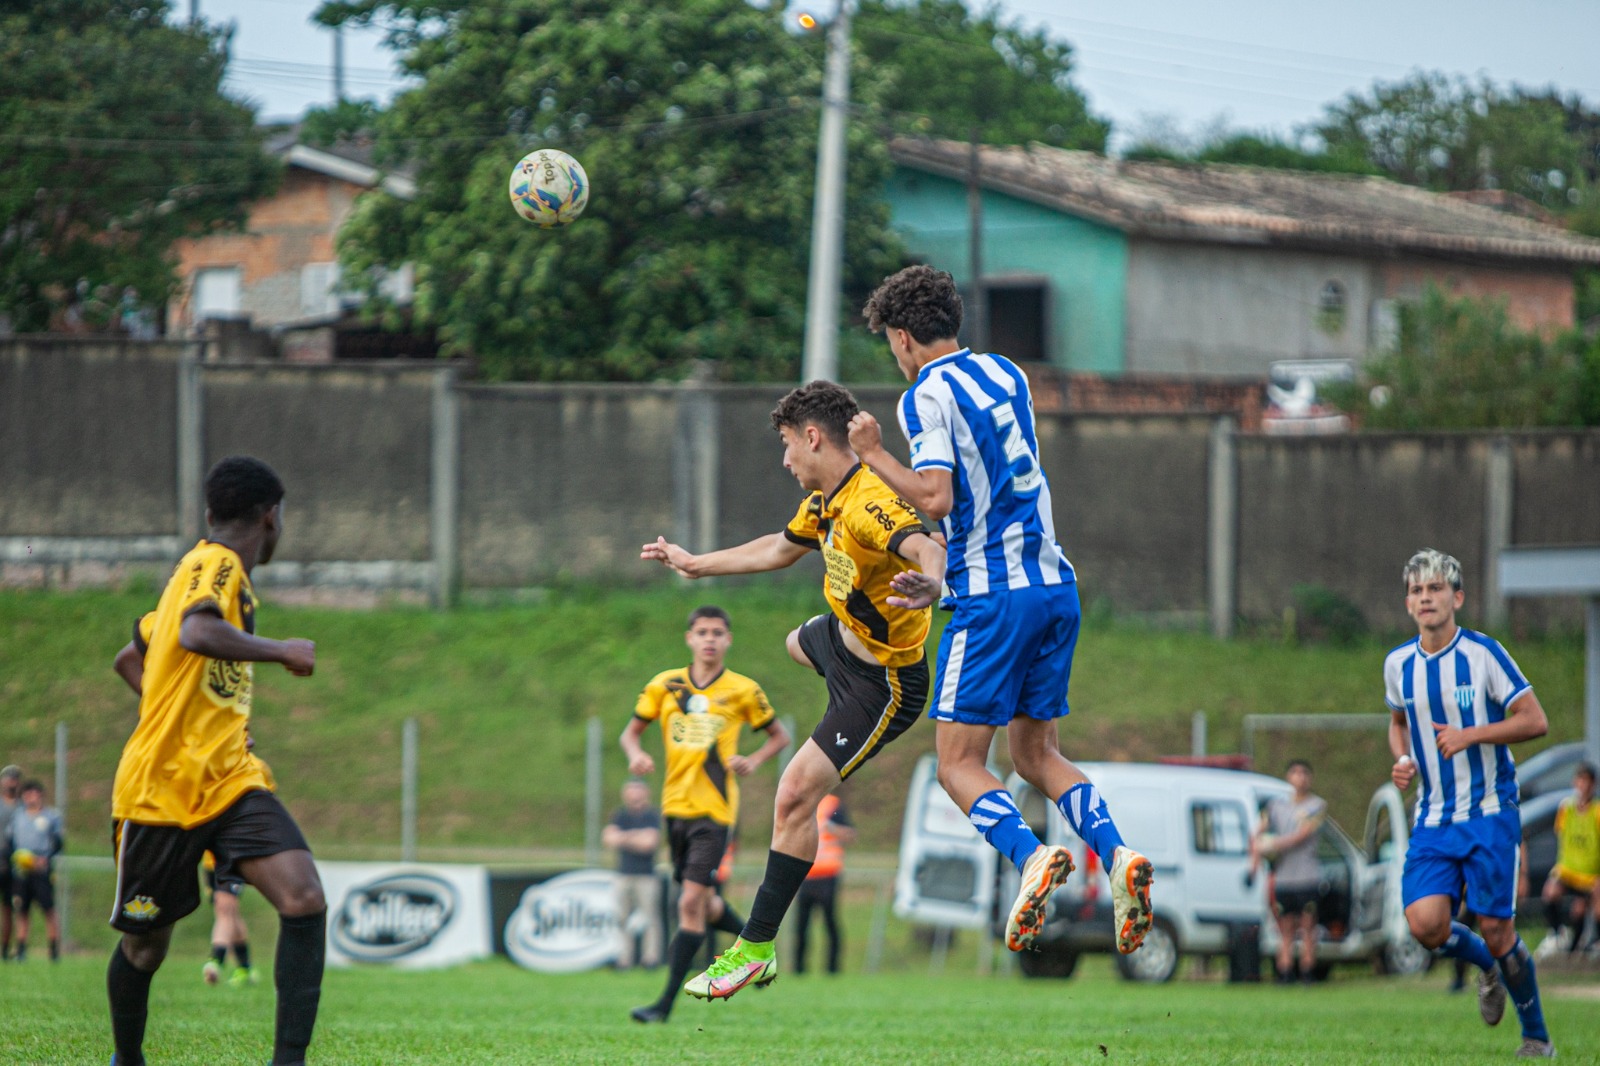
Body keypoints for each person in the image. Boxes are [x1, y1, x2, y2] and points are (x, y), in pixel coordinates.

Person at [846, 265, 1153, 960]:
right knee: (1036, 754)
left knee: (958, 764)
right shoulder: (1006, 372)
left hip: (995, 597)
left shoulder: (925, 393)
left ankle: (1031, 856)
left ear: (902, 337)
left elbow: (936, 497)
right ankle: (1118, 853)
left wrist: (871, 455)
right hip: (1054, 585)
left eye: (891, 343)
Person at [643, 380, 946, 1001]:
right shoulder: (824, 502)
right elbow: (780, 549)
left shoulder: (867, 502)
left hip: (883, 684)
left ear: (812, 438)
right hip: (840, 644)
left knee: (794, 794)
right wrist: (695, 564)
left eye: (786, 444)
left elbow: (923, 542)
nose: (784, 459)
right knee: (794, 641)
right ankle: (834, 699)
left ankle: (754, 950)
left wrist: (932, 583)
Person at [106, 455, 325, 1066]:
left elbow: (132, 657)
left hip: (230, 781)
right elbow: (196, 634)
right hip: (161, 789)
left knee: (304, 897)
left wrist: (191, 717)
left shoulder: (197, 576)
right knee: (145, 949)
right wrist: (282, 650)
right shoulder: (216, 564)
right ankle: (127, 1059)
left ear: (210, 511)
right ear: (272, 517)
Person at [1386, 548, 1555, 1059]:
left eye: (1435, 588)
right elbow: (1398, 723)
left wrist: (1470, 735)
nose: (1426, 598)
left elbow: (1535, 720)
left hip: (1489, 811)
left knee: (1499, 929)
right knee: (1425, 924)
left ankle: (1537, 1038)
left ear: (1456, 597)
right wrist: (1403, 759)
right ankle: (1487, 967)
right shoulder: (1398, 664)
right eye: (1417, 590)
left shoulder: (1484, 654)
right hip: (1434, 817)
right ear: (1408, 603)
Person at [620, 606, 790, 1023]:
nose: (709, 639)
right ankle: (756, 950)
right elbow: (630, 733)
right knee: (708, 904)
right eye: (702, 632)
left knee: (690, 902)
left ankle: (663, 1005)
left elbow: (779, 736)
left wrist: (754, 759)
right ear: (689, 638)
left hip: (715, 813)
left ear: (728, 639)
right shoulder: (665, 684)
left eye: (717, 632)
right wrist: (636, 754)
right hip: (674, 808)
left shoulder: (743, 690)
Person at [1249, 760, 1327, 984]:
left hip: (1307, 876)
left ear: (1310, 778)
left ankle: (1307, 972)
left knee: (1308, 926)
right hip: (1284, 878)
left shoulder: (1316, 805)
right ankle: (1284, 972)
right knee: (1285, 928)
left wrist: (1272, 844)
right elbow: (1257, 832)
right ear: (1288, 777)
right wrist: (1255, 855)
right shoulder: (1276, 806)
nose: (1299, 777)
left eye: (1304, 773)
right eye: (1295, 772)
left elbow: (1302, 835)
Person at [1538, 762, 1599, 956]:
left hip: (1589, 874)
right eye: (1580, 781)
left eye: (1587, 782)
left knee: (1581, 911)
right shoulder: (1566, 808)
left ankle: (1580, 949)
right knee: (1550, 892)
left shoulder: (1597, 811)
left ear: (1593, 785)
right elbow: (1562, 837)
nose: (1583, 786)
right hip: (1568, 869)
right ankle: (1558, 933)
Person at [603, 779, 663, 971]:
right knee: (622, 917)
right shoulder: (620, 815)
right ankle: (624, 959)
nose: (633, 795)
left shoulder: (651, 815)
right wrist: (636, 836)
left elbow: (649, 843)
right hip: (623, 874)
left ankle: (650, 959)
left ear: (645, 793)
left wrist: (623, 837)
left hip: (646, 875)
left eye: (637, 790)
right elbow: (609, 839)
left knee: (650, 917)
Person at [793, 793, 853, 976]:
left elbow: (850, 834)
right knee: (801, 926)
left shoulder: (833, 805)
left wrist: (832, 828)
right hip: (806, 876)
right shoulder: (803, 803)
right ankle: (799, 969)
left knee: (830, 922)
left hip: (828, 875)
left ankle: (832, 968)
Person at [8, 780, 64, 962]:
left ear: (40, 795)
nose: (30, 797)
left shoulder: (51, 817)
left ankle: (54, 950)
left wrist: (45, 859)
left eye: (33, 793)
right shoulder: (18, 817)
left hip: (41, 869)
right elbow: (10, 842)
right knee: (21, 910)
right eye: (27, 794)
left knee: (49, 909)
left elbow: (58, 843)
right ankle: (21, 950)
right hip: (22, 870)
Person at [202, 850, 258, 986]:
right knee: (230, 913)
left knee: (225, 907)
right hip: (211, 863)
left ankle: (216, 959)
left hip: (232, 859)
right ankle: (245, 968)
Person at [0, 764, 21, 960]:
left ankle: (5, 949)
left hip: (12, 864)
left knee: (9, 907)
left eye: (14, 779)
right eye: (8, 778)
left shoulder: (22, 807)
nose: (11, 782)